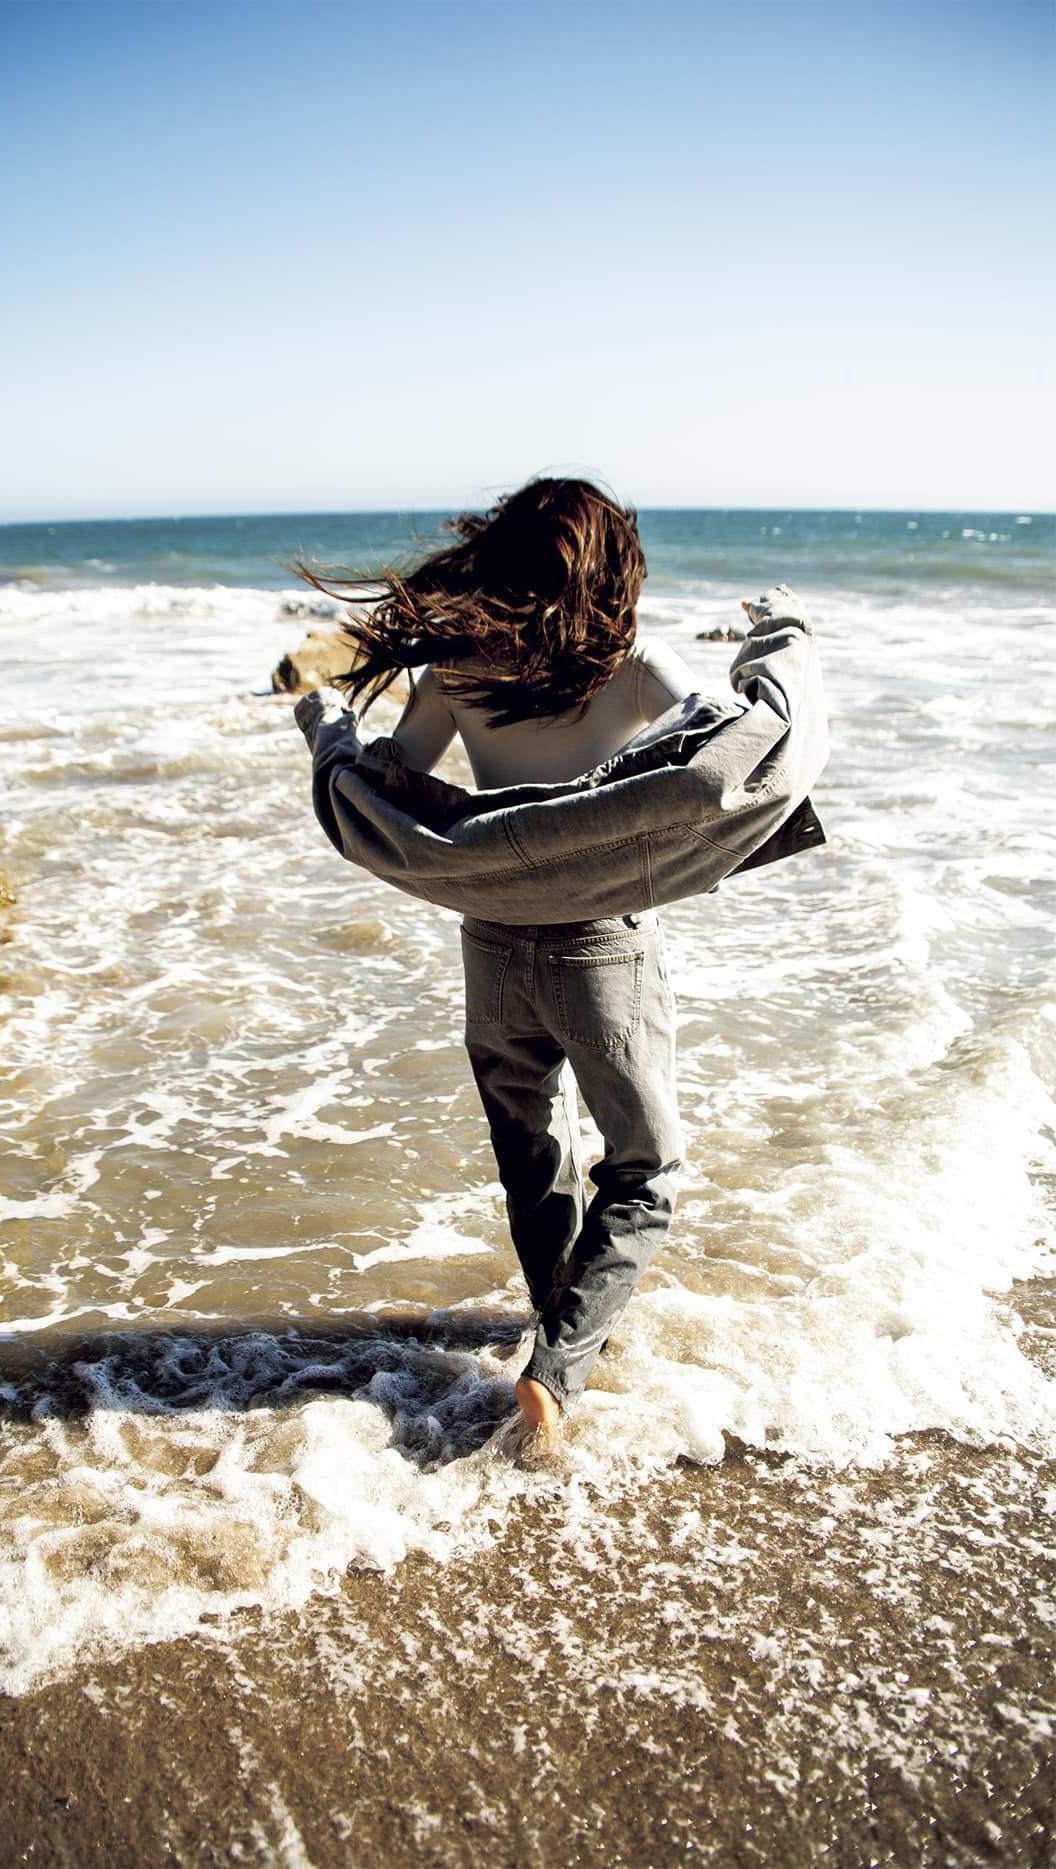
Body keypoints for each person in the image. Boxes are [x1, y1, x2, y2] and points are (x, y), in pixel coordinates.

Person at [294, 476, 700, 1443]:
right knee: (645, 1170)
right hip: (602, 946)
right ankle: (557, 1372)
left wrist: (331, 740)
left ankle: (556, 1324)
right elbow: (721, 751)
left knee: (532, 1153)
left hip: (491, 940)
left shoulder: (457, 670)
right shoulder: (635, 664)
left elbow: (401, 778)